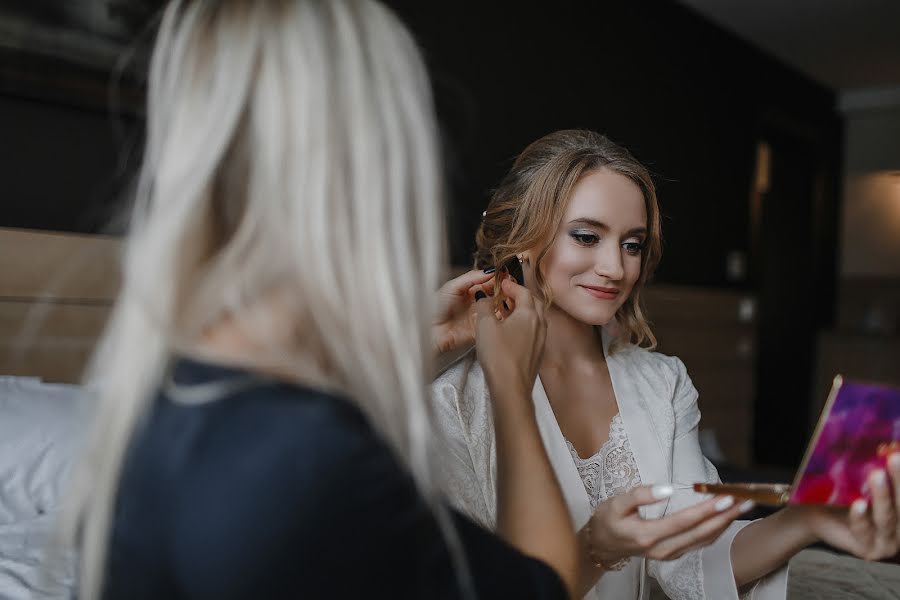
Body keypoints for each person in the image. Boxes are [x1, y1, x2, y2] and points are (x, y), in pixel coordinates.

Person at [56, 3, 580, 599]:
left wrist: (407, 352)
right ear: (381, 176)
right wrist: (510, 387)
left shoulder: (172, 395)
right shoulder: (310, 468)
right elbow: (547, 585)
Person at [431, 129, 900, 599]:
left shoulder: (662, 381)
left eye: (631, 244)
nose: (616, 268)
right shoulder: (455, 398)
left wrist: (806, 518)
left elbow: (695, 561)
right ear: (521, 241)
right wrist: (598, 546)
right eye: (587, 236)